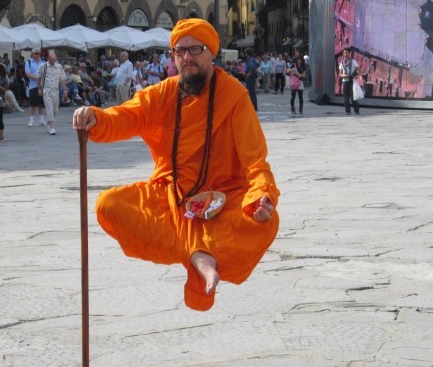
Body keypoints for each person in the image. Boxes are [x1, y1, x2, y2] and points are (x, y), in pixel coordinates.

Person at [72, 18, 279, 312]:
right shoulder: (163, 94)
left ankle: (199, 252)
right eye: (179, 51)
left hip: (223, 197)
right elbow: (126, 116)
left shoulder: (234, 96)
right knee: (109, 205)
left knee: (263, 223)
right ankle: (198, 254)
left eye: (195, 50)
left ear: (211, 53)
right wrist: (97, 118)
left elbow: (255, 159)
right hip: (172, 197)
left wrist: (262, 197)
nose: (186, 58)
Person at [37, 50, 67, 135]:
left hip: (55, 91)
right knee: (49, 108)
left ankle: (49, 122)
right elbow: (38, 78)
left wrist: (65, 90)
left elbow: (62, 79)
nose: (53, 62)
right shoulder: (43, 66)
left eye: (54, 60)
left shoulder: (59, 67)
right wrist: (39, 89)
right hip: (46, 90)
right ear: (48, 59)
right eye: (52, 60)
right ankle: (52, 127)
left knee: (55, 110)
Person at [25, 48, 46, 128]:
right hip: (33, 86)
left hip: (41, 85)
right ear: (32, 54)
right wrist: (38, 78)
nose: (38, 55)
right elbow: (28, 74)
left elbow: (45, 72)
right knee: (32, 104)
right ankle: (31, 120)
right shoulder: (29, 62)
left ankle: (41, 120)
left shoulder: (43, 62)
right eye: (36, 53)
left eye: (39, 53)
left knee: (41, 104)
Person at [338, 47, 360, 115]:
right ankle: (347, 111)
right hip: (345, 81)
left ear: (349, 53)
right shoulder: (341, 63)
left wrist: (357, 76)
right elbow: (340, 73)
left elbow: (359, 70)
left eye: (346, 52)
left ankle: (356, 110)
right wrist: (343, 76)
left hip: (352, 81)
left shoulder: (353, 61)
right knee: (345, 98)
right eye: (344, 52)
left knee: (353, 97)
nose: (345, 54)